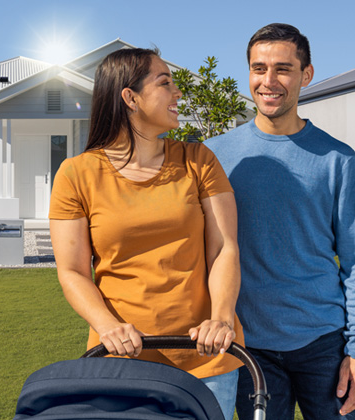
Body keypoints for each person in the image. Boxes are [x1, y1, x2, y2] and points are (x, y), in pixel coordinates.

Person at [49, 47, 244, 418]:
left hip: (205, 359)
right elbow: (72, 271)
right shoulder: (76, 175)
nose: (178, 93)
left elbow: (224, 249)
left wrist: (221, 318)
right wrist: (108, 327)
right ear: (130, 97)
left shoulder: (198, 160)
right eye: (165, 82)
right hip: (121, 357)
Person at [203, 23, 355, 419]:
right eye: (258, 68)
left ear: (306, 75)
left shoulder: (337, 159)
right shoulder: (212, 157)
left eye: (282, 69)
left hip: (325, 344)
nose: (268, 81)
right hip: (248, 347)